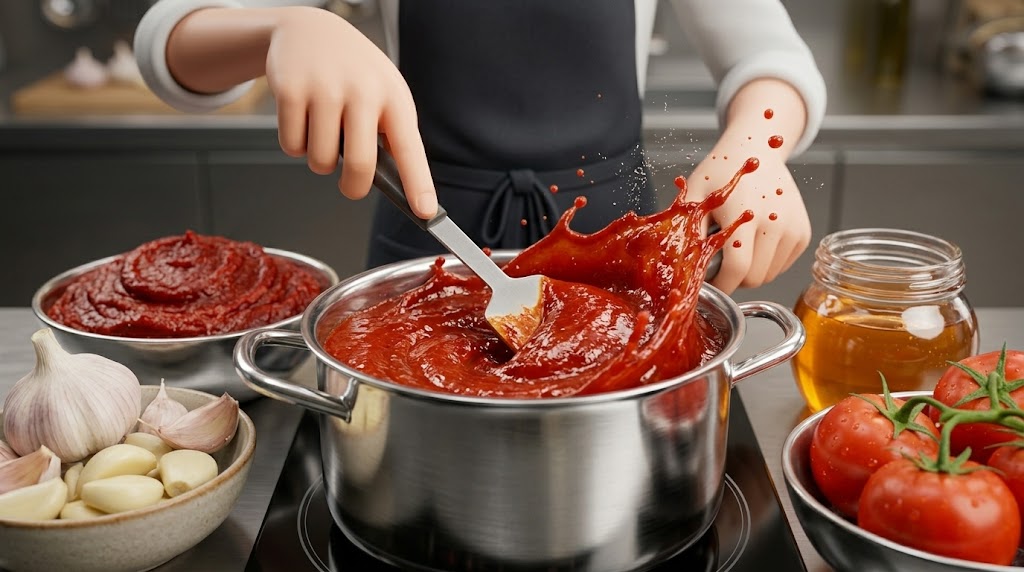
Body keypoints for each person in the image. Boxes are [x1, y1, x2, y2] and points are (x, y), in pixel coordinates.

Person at [134, 0, 825, 294]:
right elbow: (168, 39)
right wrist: (280, 27)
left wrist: (759, 147)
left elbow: (768, 54)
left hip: (622, 254)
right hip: (427, 251)